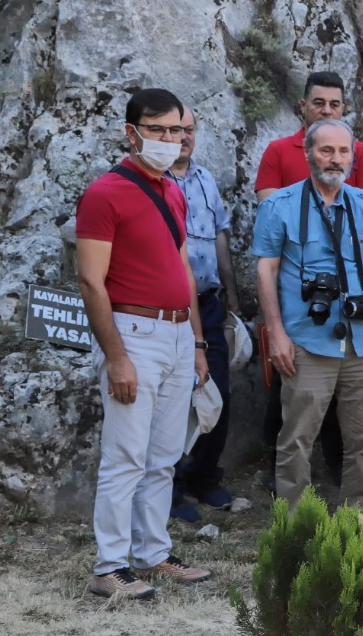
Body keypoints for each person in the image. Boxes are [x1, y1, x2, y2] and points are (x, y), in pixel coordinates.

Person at [78, 88, 213, 601]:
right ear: (131, 131)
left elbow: (183, 268)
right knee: (125, 456)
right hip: (133, 334)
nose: (170, 140)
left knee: (163, 456)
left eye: (177, 131)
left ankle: (152, 553)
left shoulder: (172, 190)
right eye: (158, 130)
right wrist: (116, 358)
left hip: (179, 334)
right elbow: (92, 282)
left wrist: (197, 341)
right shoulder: (104, 194)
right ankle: (109, 567)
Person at [252, 119, 363, 507]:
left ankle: (359, 522)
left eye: (343, 151)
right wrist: (277, 334)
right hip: (305, 338)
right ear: (308, 153)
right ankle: (296, 525)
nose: (335, 160)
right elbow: (266, 270)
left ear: (353, 155)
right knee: (296, 437)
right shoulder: (279, 206)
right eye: (326, 150)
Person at [167, 105, 239, 522]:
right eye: (176, 130)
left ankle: (204, 478)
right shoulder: (153, 184)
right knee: (176, 400)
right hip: (170, 309)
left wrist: (231, 291)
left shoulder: (205, 179)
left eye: (189, 130)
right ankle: (171, 488)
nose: (183, 137)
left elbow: (220, 236)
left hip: (210, 305)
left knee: (220, 395)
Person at [254, 71, 363, 200]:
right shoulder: (277, 151)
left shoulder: (361, 153)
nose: (326, 111)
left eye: (334, 105)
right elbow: (269, 210)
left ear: (342, 109)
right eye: (319, 103)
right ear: (303, 106)